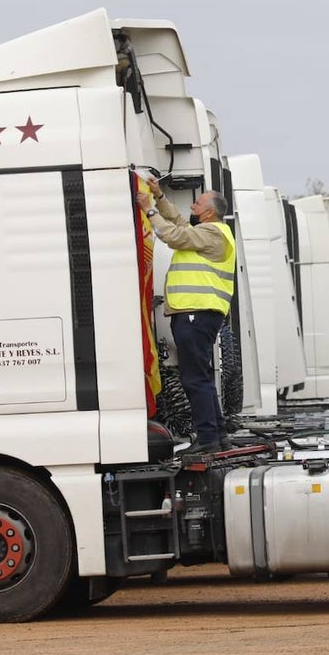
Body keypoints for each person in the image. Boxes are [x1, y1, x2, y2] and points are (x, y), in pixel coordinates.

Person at [135, 179, 236, 455]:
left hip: (195, 313)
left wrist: (149, 210)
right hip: (198, 314)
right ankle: (217, 435)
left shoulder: (213, 234)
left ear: (209, 213)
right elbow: (179, 223)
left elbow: (174, 235)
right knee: (201, 377)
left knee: (195, 379)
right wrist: (158, 196)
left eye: (198, 203)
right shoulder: (210, 231)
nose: (193, 205)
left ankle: (207, 439)